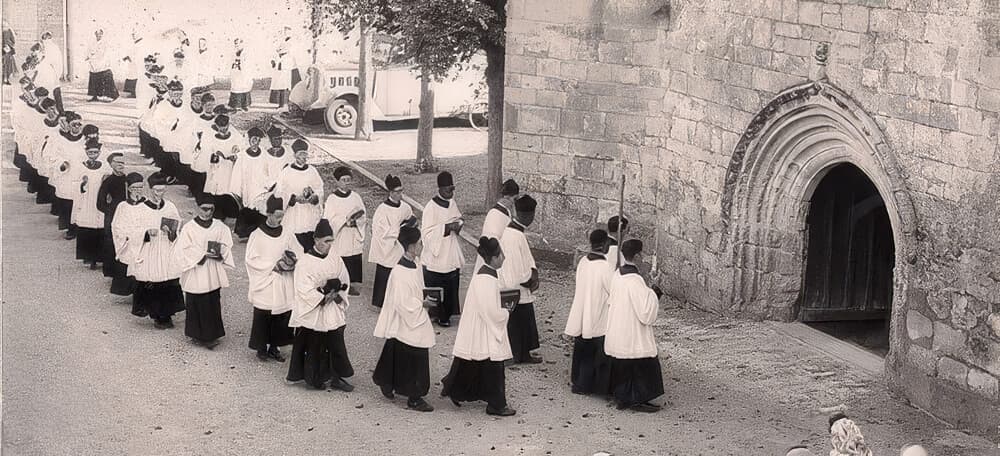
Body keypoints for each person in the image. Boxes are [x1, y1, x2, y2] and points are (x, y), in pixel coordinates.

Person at [440, 236, 516, 416]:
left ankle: (453, 387)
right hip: (484, 326)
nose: (504, 258)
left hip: (478, 325)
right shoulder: (486, 280)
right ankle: (496, 405)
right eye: (501, 255)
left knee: (471, 360)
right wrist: (506, 312)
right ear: (494, 258)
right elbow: (490, 311)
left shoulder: (485, 275)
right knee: (494, 365)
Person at [286, 219, 355, 392]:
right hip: (314, 309)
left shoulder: (335, 258)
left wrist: (337, 293)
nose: (329, 245)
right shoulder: (305, 262)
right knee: (314, 343)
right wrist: (322, 297)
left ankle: (336, 377)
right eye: (326, 241)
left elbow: (344, 279)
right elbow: (303, 288)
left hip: (332, 307)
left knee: (335, 341)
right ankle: (314, 378)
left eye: (331, 241)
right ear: (316, 240)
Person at [372, 225, 435, 412]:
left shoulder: (415, 264)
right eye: (420, 243)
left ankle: (386, 380)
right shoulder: (400, 272)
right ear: (411, 247)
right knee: (416, 351)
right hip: (407, 316)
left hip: (409, 315)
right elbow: (402, 303)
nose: (422, 246)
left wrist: (425, 297)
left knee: (397, 348)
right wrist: (422, 304)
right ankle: (414, 397)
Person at [604, 239, 665, 413]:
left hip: (618, 327)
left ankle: (622, 397)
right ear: (637, 256)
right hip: (631, 331)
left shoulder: (617, 274)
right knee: (639, 364)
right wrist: (655, 291)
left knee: (623, 365)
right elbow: (646, 313)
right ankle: (636, 399)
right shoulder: (634, 280)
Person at [246, 195, 302, 362]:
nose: (280, 219)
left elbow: (298, 251)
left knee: (280, 315)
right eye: (277, 216)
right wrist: (273, 265)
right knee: (264, 314)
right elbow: (251, 260)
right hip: (266, 280)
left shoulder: (287, 233)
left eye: (282, 216)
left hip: (283, 279)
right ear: (268, 214)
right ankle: (261, 348)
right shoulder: (257, 235)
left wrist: (292, 261)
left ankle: (274, 347)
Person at [174, 194, 234, 349]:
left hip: (212, 269)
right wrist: (201, 255)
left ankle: (212, 334)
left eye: (211, 209)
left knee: (212, 300)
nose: (207, 212)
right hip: (196, 269)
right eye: (204, 209)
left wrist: (220, 251)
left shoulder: (219, 226)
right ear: (197, 208)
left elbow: (226, 245)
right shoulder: (189, 228)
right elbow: (182, 250)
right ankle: (196, 334)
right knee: (197, 300)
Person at [129, 173, 184, 328]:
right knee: (153, 280)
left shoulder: (170, 207)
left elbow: (177, 226)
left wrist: (171, 231)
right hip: (150, 249)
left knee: (168, 280)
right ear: (150, 190)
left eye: (162, 190)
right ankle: (156, 315)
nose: (159, 194)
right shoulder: (141, 209)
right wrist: (146, 232)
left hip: (166, 247)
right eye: (156, 191)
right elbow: (133, 230)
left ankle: (167, 314)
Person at [564, 229, 613, 395]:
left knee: (581, 349)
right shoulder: (605, 266)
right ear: (604, 244)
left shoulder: (583, 262)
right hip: (597, 312)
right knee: (594, 352)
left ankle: (578, 381)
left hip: (582, 309)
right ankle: (589, 385)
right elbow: (612, 290)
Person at [498, 195, 542, 364]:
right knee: (517, 323)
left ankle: (524, 354)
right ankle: (514, 355)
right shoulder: (515, 236)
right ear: (530, 215)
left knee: (525, 321)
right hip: (515, 287)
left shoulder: (511, 232)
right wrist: (530, 278)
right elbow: (515, 269)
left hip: (517, 285)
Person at [420, 171, 465, 327]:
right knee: (437, 285)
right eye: (447, 190)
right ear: (439, 189)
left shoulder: (452, 203)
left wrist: (459, 224)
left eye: (452, 189)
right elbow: (426, 234)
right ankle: (435, 314)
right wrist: (446, 227)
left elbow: (458, 217)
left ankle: (447, 314)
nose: (451, 193)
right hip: (437, 252)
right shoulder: (430, 208)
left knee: (450, 284)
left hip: (450, 250)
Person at [368, 174, 415, 308]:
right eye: (397, 192)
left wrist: (410, 224)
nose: (400, 194)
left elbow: (411, 220)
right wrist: (398, 229)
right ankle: (380, 303)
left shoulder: (405, 207)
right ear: (390, 192)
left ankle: (399, 301)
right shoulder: (382, 210)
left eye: (401, 191)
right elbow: (379, 231)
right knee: (385, 272)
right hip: (388, 246)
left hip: (401, 245)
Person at [323, 166, 367, 296]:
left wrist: (357, 220)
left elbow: (363, 214)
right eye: (343, 180)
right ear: (337, 181)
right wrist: (344, 219)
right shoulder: (332, 199)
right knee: (341, 258)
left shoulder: (355, 197)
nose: (346, 183)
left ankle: (350, 284)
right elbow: (329, 219)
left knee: (353, 257)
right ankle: (339, 284)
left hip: (353, 232)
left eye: (348, 180)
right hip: (341, 234)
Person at [275, 139, 324, 250]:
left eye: (305, 154)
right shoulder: (286, 171)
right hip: (293, 212)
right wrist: (293, 198)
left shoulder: (312, 171)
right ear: (294, 155)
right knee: (293, 244)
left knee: (309, 241)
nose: (303, 157)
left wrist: (315, 197)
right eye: (300, 154)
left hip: (309, 212)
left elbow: (319, 188)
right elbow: (279, 191)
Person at [73, 138, 111, 269]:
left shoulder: (105, 167)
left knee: (100, 227)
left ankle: (99, 256)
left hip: (99, 199)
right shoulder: (81, 166)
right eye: (90, 153)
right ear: (86, 152)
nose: (93, 155)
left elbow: (108, 182)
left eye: (95, 152)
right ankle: (88, 256)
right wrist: (82, 183)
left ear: (99, 152)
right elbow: (75, 182)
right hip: (86, 200)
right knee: (86, 227)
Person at [229, 126, 271, 240]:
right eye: (253, 140)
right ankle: (244, 233)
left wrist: (267, 184)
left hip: (260, 187)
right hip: (246, 187)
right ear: (249, 140)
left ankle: (258, 233)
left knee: (259, 207)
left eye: (258, 140)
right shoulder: (243, 156)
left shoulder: (264, 154)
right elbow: (237, 174)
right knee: (246, 208)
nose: (255, 143)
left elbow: (268, 171)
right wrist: (238, 190)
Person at [109, 172, 146, 298]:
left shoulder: (147, 204)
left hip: (143, 240)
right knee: (129, 263)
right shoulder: (123, 206)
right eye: (135, 188)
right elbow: (116, 225)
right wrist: (125, 236)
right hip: (128, 241)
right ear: (129, 189)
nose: (138, 191)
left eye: (140, 187)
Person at [201, 114, 244, 220]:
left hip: (230, 169)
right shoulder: (212, 139)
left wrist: (237, 152)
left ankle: (230, 211)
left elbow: (242, 147)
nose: (224, 130)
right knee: (218, 191)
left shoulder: (235, 137)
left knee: (229, 190)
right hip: (217, 169)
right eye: (221, 128)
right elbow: (206, 153)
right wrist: (215, 155)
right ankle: (219, 213)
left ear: (228, 125)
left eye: (225, 127)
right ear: (217, 126)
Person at [473, 178, 519, 272]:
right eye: (514, 199)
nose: (513, 203)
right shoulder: (503, 215)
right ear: (508, 197)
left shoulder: (492, 212)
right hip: (495, 256)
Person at [85, 29, 118, 102]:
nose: (98, 35)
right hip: (94, 64)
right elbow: (89, 52)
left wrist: (102, 62)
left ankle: (112, 96)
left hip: (102, 64)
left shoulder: (105, 43)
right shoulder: (93, 43)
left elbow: (106, 54)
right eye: (97, 34)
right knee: (94, 79)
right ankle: (95, 96)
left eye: (100, 34)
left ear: (102, 34)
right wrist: (88, 57)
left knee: (106, 78)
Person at [229, 38, 252, 111]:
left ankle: (245, 105)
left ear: (242, 44)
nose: (236, 46)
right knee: (236, 88)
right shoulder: (233, 53)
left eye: (238, 44)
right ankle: (235, 105)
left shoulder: (246, 53)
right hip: (236, 73)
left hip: (244, 74)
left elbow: (247, 64)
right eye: (235, 44)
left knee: (244, 88)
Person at [268, 41, 293, 108]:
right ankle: (279, 104)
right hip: (278, 75)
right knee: (278, 88)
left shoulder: (288, 58)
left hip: (284, 75)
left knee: (283, 89)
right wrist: (273, 63)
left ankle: (283, 104)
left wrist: (281, 65)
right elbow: (274, 64)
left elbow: (288, 66)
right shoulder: (278, 57)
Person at [2, 20, 15, 85]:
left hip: (7, 51)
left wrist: (8, 46)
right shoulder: (7, 30)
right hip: (5, 51)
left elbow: (13, 41)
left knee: (7, 65)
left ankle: (5, 79)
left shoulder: (8, 30)